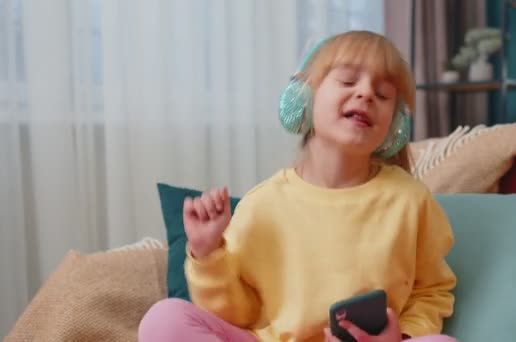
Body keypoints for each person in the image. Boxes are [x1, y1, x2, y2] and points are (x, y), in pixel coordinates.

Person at [139, 30, 457, 342]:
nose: (366, 94)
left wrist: (401, 335)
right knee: (164, 319)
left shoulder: (410, 200)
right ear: (304, 96)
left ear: (396, 124)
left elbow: (431, 291)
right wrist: (207, 253)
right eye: (348, 81)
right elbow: (238, 314)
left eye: (384, 94)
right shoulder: (262, 204)